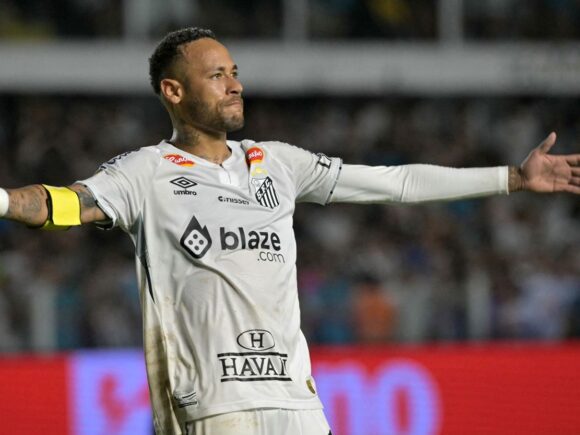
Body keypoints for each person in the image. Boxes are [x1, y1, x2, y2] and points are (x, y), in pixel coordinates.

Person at [0, 27, 579, 435]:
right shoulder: (145, 173)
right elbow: (61, 206)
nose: (234, 85)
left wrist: (511, 178)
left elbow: (394, 182)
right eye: (216, 75)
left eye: (235, 73)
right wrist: (3, 200)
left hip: (297, 405)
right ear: (173, 92)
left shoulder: (275, 162)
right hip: (212, 408)